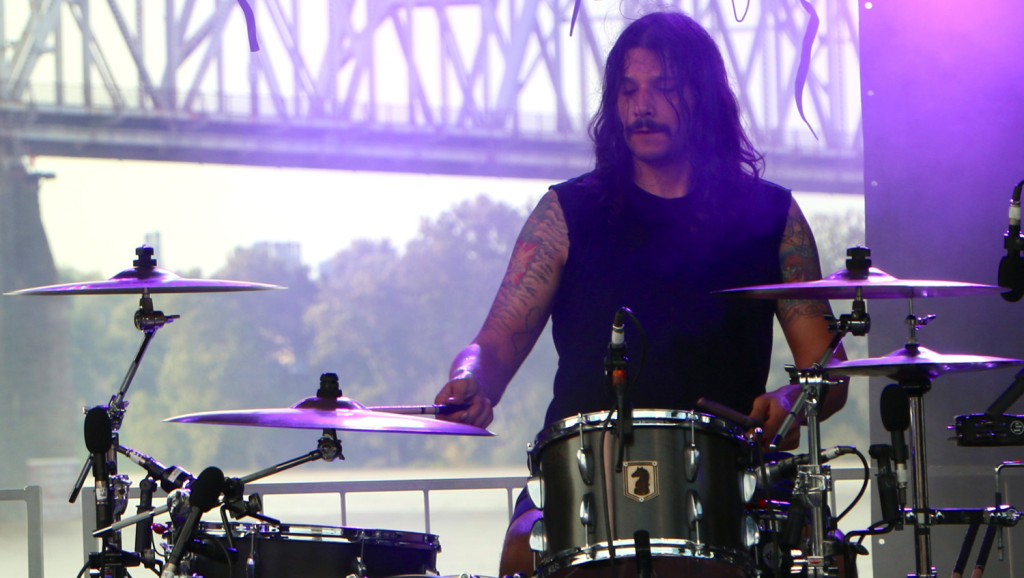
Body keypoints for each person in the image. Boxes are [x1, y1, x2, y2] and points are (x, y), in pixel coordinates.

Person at [433, 10, 848, 577]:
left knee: (828, 552)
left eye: (663, 88)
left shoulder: (771, 215)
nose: (640, 105)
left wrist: (784, 402)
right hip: (583, 484)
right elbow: (493, 346)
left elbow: (828, 368)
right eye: (627, 90)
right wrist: (471, 379)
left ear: (703, 99)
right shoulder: (565, 212)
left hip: (723, 485)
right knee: (522, 547)